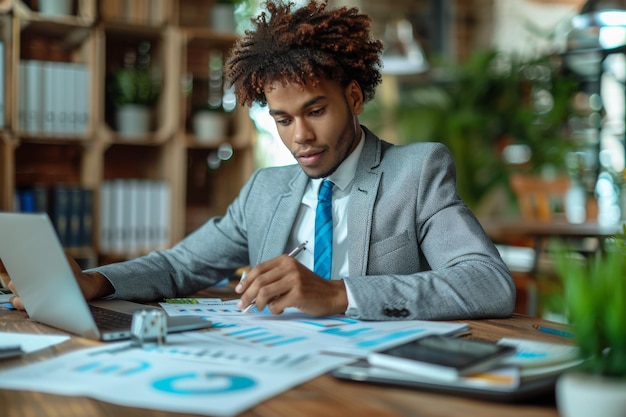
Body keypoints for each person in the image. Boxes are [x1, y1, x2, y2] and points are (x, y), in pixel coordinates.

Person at [9, 0, 515, 320]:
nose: (302, 137)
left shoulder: (417, 172)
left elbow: (487, 283)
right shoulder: (266, 190)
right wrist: (94, 281)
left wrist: (340, 295)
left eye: (316, 111)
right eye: (283, 119)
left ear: (355, 98)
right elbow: (180, 265)